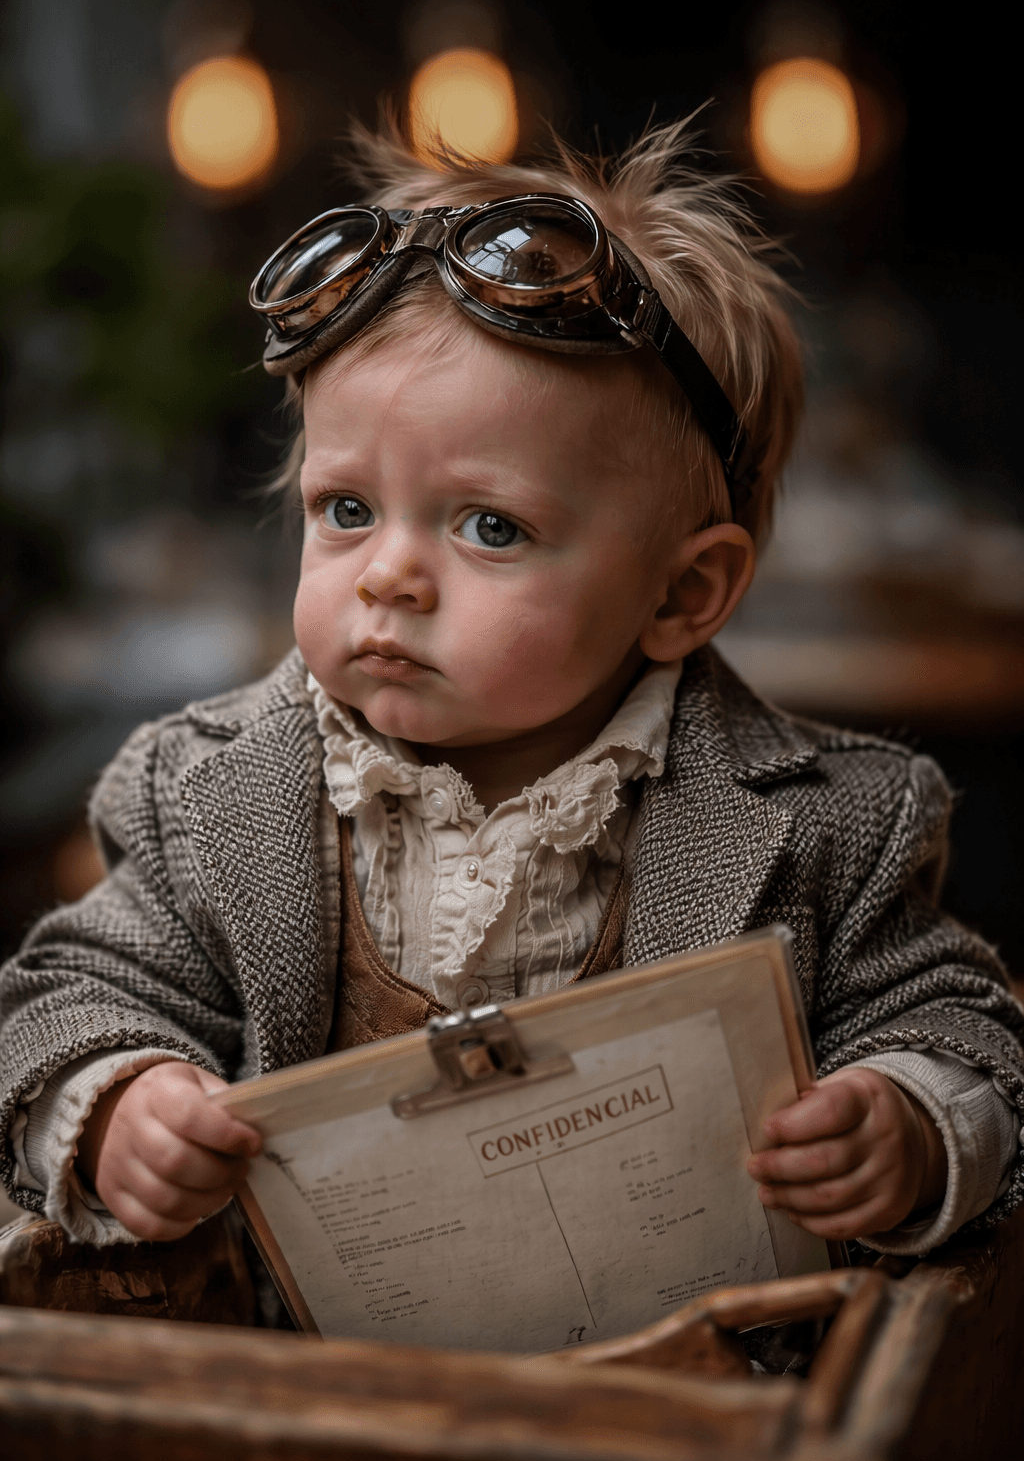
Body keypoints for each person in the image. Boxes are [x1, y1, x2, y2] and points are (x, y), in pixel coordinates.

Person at [1, 123, 1021, 1268]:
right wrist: (117, 1106)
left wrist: (907, 1123)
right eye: (345, 509)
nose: (386, 573)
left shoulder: (837, 825)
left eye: (490, 527)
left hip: (681, 1388)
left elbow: (960, 1027)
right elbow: (68, 991)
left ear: (683, 593)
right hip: (301, 1395)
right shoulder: (203, 791)